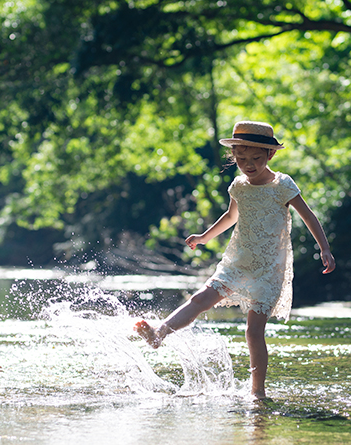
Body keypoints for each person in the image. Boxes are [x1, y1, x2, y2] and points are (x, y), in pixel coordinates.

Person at [134, 120, 335, 399]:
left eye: (255, 158)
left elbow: (308, 215)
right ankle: (159, 333)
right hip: (238, 262)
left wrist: (324, 248)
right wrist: (205, 236)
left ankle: (258, 392)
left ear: (270, 155)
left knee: (253, 332)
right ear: (234, 158)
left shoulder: (283, 185)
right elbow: (231, 217)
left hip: (268, 269)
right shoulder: (239, 185)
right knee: (199, 300)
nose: (248, 164)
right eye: (241, 159)